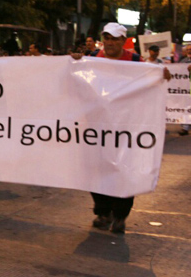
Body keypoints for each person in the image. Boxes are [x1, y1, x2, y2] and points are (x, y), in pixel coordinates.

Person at [72, 22, 171, 233]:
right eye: (107, 38)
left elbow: (154, 81)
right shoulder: (91, 60)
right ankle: (103, 211)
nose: (110, 42)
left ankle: (120, 215)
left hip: (126, 129)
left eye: (115, 39)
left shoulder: (135, 62)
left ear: (123, 41)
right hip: (97, 129)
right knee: (97, 170)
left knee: (124, 171)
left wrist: (163, 76)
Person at [178, 45, 191, 135]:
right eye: (188, 50)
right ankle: (185, 128)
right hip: (185, 89)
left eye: (190, 49)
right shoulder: (182, 61)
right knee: (186, 107)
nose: (189, 51)